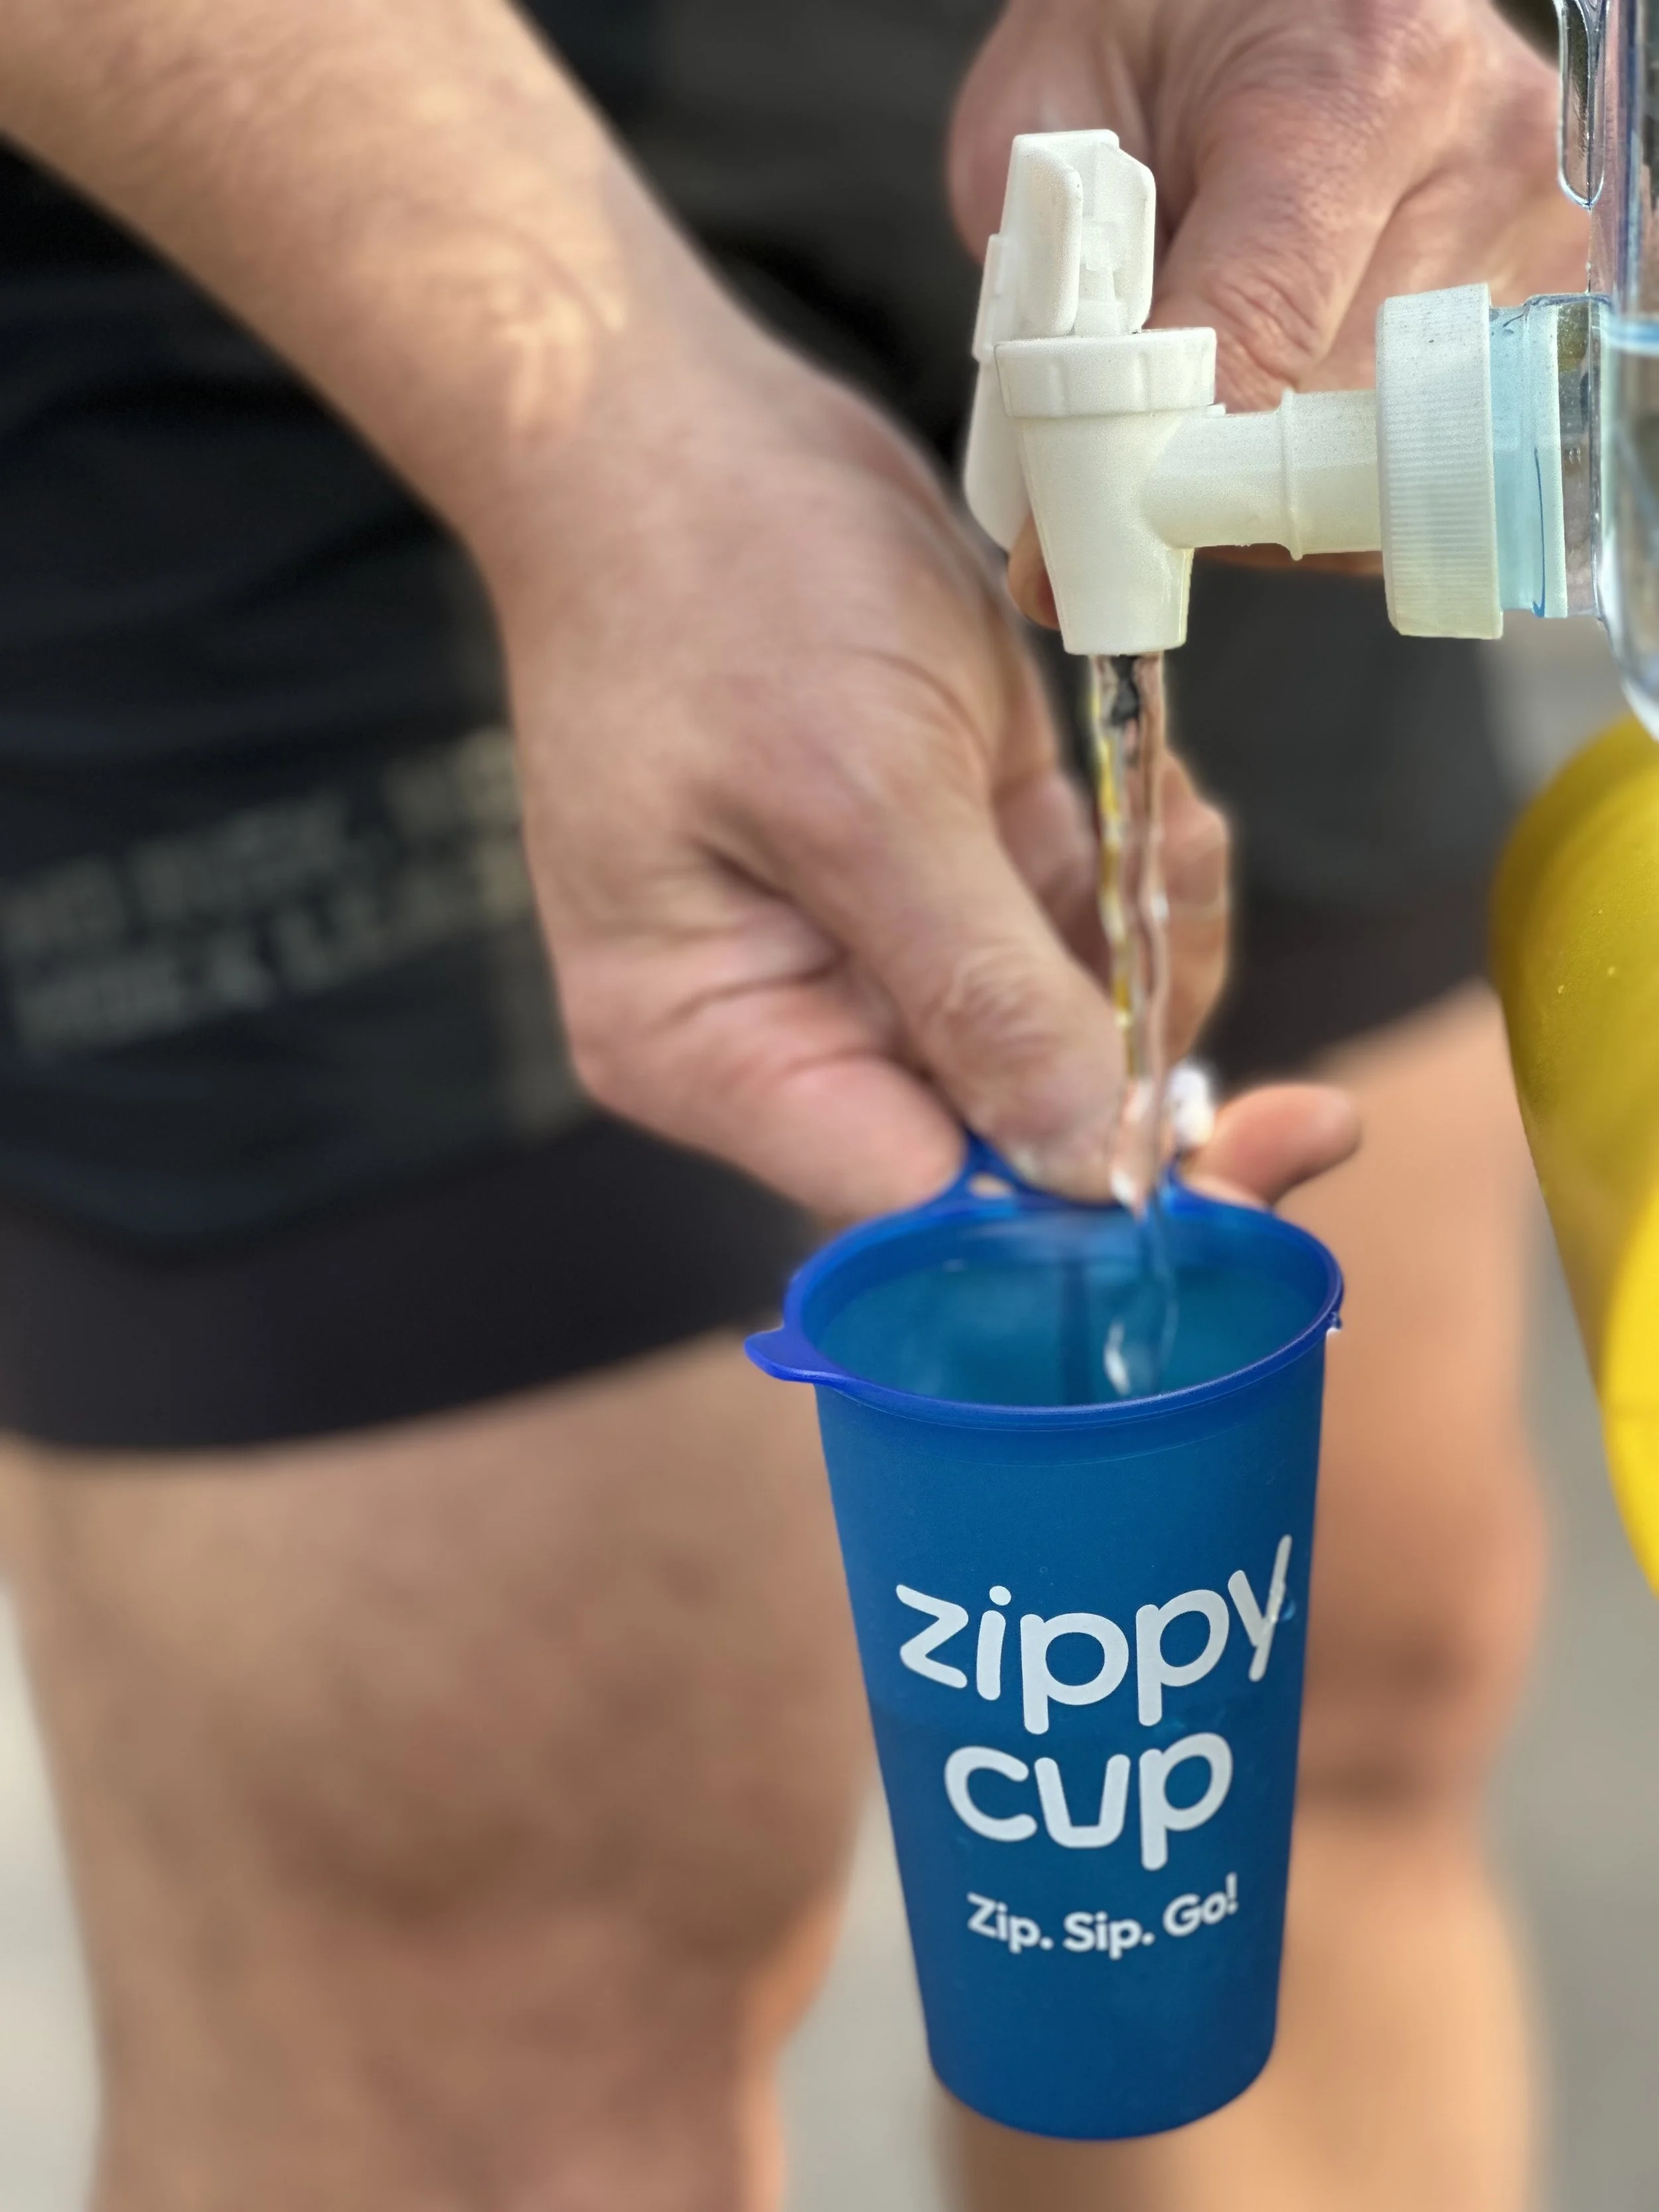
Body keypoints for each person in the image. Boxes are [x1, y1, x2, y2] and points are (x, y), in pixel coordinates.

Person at [0, 3, 1579, 2208]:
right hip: (278, 165)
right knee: (499, 1978)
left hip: (1178, 131)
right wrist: (589, 435)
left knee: (1312, 1725)